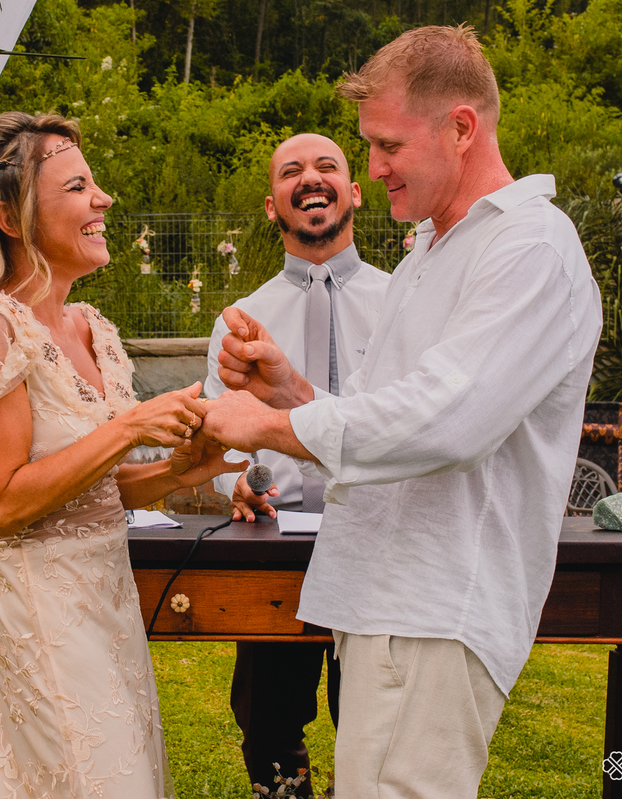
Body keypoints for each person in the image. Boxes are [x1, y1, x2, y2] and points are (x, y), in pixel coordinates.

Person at [200, 25, 602, 798]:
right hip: (384, 604)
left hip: (435, 608)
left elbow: (447, 421)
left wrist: (269, 427)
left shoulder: (529, 247)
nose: (372, 168)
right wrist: (293, 393)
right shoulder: (432, 248)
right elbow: (394, 418)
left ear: (460, 128)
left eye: (386, 145)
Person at [0, 111, 238, 799]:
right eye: (78, 186)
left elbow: (92, 488)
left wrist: (179, 469)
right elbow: (5, 501)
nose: (104, 199)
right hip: (41, 609)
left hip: (108, 602)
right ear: (10, 217)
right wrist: (130, 428)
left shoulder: (92, 328)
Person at [204, 133, 389, 794]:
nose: (309, 179)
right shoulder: (241, 318)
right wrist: (236, 487)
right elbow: (219, 439)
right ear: (271, 204)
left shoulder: (403, 307)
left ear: (355, 190)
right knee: (269, 720)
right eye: (291, 171)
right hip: (274, 551)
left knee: (374, 715)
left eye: (326, 166)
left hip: (380, 541)